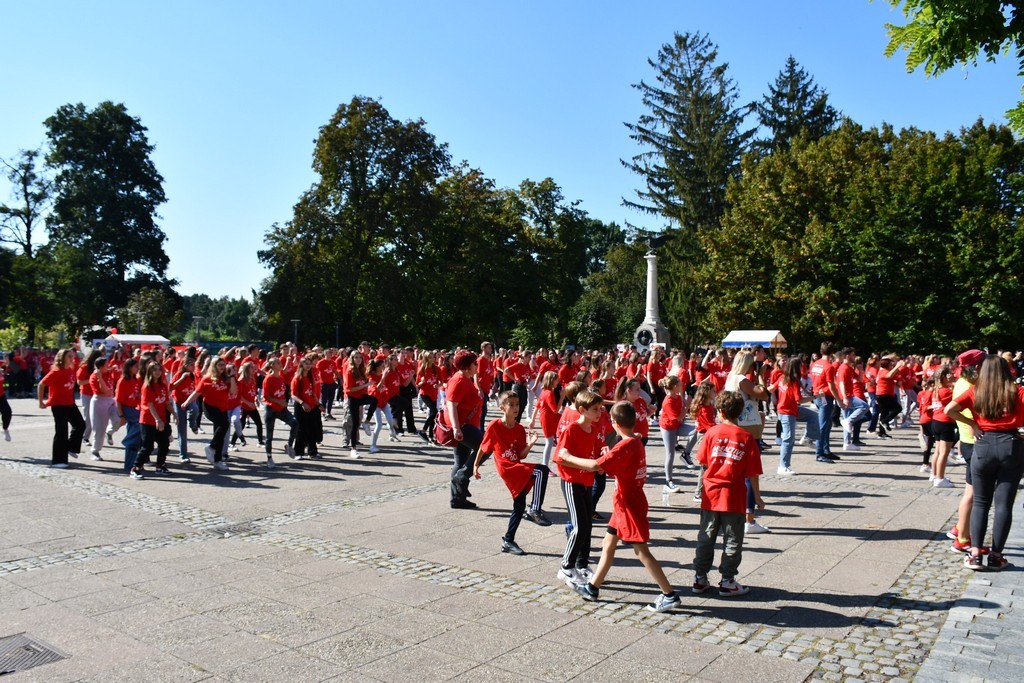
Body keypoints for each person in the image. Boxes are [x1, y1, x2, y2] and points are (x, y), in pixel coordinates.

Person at [558, 400, 682, 613]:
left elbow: (597, 465)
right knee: (608, 543)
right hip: (624, 502)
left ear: (614, 423)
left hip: (629, 504)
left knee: (641, 550)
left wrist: (568, 457)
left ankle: (669, 594)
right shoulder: (635, 441)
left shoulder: (626, 445)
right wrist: (609, 453)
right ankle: (592, 587)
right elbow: (617, 465)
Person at [944, 355, 1024, 571]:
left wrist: (972, 423)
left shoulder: (976, 391)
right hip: (1011, 445)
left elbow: (949, 409)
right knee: (1004, 504)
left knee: (980, 502)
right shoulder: (1017, 391)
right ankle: (997, 556)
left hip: (983, 444)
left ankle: (976, 553)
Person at [693, 390, 764, 596]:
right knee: (733, 539)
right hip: (733, 495)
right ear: (740, 413)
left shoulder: (712, 433)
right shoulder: (746, 437)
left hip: (711, 493)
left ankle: (700, 577)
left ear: (720, 411)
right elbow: (753, 473)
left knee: (706, 537)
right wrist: (757, 498)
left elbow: (702, 461)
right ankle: (727, 580)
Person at [473, 391, 551, 555]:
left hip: (516, 466)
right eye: (512, 404)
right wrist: (475, 466)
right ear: (502, 407)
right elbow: (483, 447)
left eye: (517, 404)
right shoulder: (495, 425)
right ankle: (534, 509)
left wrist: (530, 444)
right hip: (507, 468)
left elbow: (521, 455)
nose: (516, 407)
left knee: (519, 505)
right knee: (541, 470)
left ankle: (508, 541)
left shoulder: (520, 429)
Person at [553, 389, 604, 586]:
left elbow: (597, 449)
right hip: (571, 482)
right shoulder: (572, 430)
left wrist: (603, 453)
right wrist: (586, 464)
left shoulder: (594, 429)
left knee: (588, 526)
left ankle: (582, 565)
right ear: (582, 410)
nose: (600, 412)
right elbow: (559, 458)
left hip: (587, 482)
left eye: (600, 408)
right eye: (595, 409)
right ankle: (566, 567)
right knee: (579, 526)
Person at [181, 357, 236, 470]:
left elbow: (234, 391)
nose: (222, 367)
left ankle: (217, 460)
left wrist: (232, 376)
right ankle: (211, 447)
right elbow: (197, 392)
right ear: (214, 366)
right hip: (210, 407)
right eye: (219, 365)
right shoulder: (207, 378)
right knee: (224, 424)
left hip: (223, 408)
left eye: (223, 365)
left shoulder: (226, 378)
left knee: (219, 432)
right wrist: (186, 402)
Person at [446, 349, 484, 509]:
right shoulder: (459, 380)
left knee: (460, 461)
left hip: (464, 425)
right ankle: (462, 477)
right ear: (467, 366)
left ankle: (457, 499)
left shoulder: (465, 378)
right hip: (462, 426)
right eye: (475, 363)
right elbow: (451, 404)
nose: (477, 365)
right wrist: (456, 428)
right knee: (485, 446)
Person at [770, 357, 820, 475]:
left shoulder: (783, 378)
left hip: (789, 410)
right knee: (788, 439)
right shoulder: (793, 381)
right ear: (797, 367)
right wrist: (814, 397)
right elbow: (800, 400)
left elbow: (771, 388)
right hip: (787, 412)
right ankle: (783, 466)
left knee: (813, 416)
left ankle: (807, 438)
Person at [38, 349, 85, 468]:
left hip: (70, 403)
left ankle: (71, 448)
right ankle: (58, 461)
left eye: (72, 356)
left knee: (80, 425)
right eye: (69, 356)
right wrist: (41, 402)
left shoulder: (70, 370)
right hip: (58, 405)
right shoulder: (56, 371)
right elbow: (41, 384)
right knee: (61, 432)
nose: (72, 358)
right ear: (62, 358)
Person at [133, 361, 173, 479]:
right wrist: (158, 420)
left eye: (159, 369)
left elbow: (166, 402)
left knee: (164, 444)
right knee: (147, 446)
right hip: (148, 420)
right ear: (150, 371)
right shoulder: (147, 386)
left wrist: (174, 413)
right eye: (154, 369)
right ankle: (135, 468)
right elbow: (150, 405)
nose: (157, 372)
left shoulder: (162, 385)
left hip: (161, 419)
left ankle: (160, 466)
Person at [658, 375, 694, 494]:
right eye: (679, 384)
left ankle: (686, 454)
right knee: (670, 454)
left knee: (696, 431)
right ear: (674, 387)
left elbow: (681, 415)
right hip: (668, 428)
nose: (681, 385)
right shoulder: (668, 401)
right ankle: (668, 482)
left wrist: (687, 406)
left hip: (677, 425)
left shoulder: (678, 397)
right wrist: (687, 406)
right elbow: (678, 417)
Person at [262, 357, 296, 466]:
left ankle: (289, 445)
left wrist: (285, 400)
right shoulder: (268, 378)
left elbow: (282, 392)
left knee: (295, 423)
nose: (280, 364)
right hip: (271, 409)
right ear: (271, 365)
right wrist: (278, 401)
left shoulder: (281, 378)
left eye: (280, 363)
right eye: (277, 363)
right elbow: (265, 396)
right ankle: (269, 459)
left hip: (281, 409)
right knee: (269, 436)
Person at [928, 365, 958, 488]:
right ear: (944, 377)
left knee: (937, 451)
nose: (952, 375)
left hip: (936, 421)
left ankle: (934, 474)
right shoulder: (947, 391)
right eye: (949, 374)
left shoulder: (936, 390)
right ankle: (940, 478)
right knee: (944, 453)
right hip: (946, 422)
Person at [115, 358, 142, 473]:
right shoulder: (123, 381)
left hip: (134, 408)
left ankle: (131, 464)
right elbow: (118, 400)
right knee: (139, 425)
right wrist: (121, 416)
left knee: (136, 435)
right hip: (127, 409)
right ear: (129, 367)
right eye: (136, 367)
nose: (138, 369)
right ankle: (127, 442)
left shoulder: (135, 379)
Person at [529, 371, 561, 468]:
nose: (557, 382)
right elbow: (555, 410)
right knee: (549, 442)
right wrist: (562, 397)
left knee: (550, 441)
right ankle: (545, 465)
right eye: (556, 380)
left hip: (547, 418)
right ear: (552, 381)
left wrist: (533, 420)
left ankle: (546, 464)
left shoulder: (544, 392)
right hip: (548, 419)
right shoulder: (549, 393)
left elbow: (537, 406)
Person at [0, 358, 13, 441]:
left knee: (7, 411)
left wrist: (6, 357)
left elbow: (6, 363)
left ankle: (5, 429)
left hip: (1, 395)